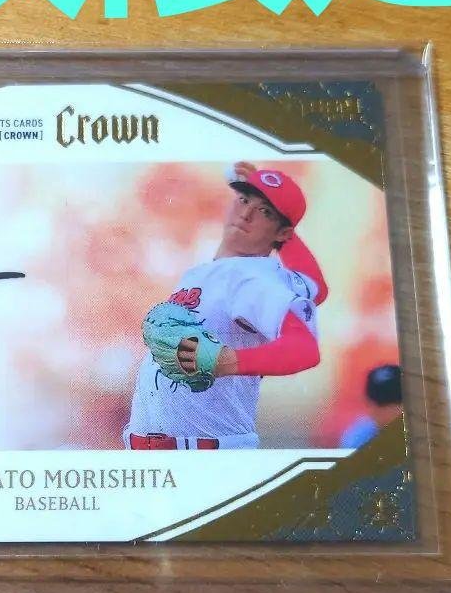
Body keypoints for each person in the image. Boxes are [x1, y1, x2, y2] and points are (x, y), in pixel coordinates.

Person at [125, 162, 329, 450]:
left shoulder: (250, 278)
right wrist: (271, 204)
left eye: (265, 212)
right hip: (161, 453)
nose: (246, 214)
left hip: (208, 455)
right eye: (244, 200)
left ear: (283, 234)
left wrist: (227, 361)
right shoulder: (204, 272)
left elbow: (304, 349)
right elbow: (314, 286)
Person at [339, 364, 403, 448]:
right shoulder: (358, 439)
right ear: (368, 404)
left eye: (395, 402)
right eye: (380, 404)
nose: (388, 411)